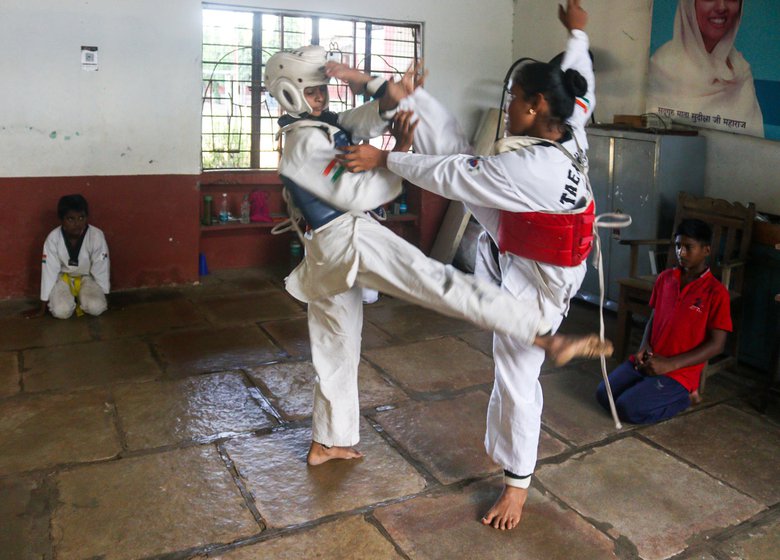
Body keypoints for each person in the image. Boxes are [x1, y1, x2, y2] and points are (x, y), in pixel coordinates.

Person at [265, 44, 612, 467]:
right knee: (438, 281)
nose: (322, 99)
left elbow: (355, 122)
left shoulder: (317, 124)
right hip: (344, 238)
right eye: (314, 92)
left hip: (329, 246)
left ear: (540, 105)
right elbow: (360, 192)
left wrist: (388, 107)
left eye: (323, 90)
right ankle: (541, 336)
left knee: (336, 341)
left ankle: (329, 439)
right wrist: (394, 159)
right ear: (288, 95)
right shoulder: (302, 143)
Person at [338, 0, 597, 531]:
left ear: (536, 105)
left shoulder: (529, 168)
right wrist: (577, 34)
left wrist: (385, 159)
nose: (508, 107)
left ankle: (517, 486)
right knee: (454, 142)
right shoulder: (573, 120)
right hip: (518, 234)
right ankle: (403, 95)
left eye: (514, 99)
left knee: (516, 374)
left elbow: (455, 174)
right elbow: (582, 77)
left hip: (540, 279)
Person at [595, 219, 731, 423]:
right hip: (650, 358)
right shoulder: (666, 279)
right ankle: (647, 387)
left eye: (688, 247)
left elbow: (717, 345)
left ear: (706, 250)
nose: (681, 253)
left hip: (679, 370)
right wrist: (644, 347)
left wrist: (670, 364)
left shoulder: (716, 292)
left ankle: (685, 398)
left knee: (627, 409)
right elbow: (654, 317)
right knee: (603, 394)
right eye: (678, 246)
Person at [647, 0, 764, 137]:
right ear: (689, 4)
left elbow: (756, 152)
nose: (721, 7)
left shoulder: (740, 72)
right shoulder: (661, 70)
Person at [25, 194, 110, 319]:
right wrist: (42, 307)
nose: (77, 223)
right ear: (62, 219)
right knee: (61, 312)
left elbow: (101, 268)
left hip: (87, 278)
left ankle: (83, 298)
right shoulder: (53, 239)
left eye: (81, 217)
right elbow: (49, 272)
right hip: (63, 279)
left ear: (87, 217)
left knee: (96, 308)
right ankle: (70, 300)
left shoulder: (96, 236)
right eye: (71, 219)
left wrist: (105, 297)